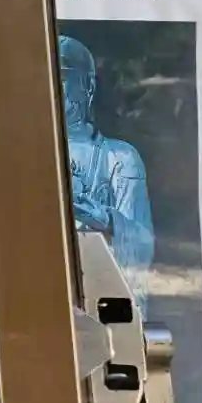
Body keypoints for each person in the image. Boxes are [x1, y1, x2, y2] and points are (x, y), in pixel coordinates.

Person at [60, 34, 155, 309]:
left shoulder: (119, 158)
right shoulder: (19, 152)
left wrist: (108, 220)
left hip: (97, 296)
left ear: (87, 86)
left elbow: (143, 244)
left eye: (62, 76)